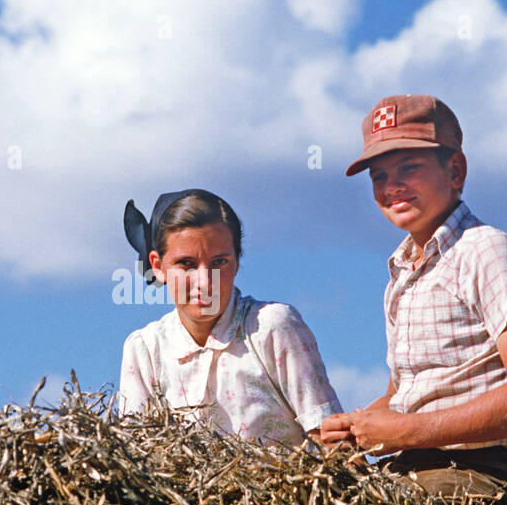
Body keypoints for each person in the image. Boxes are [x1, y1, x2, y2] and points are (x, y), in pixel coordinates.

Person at [319, 95, 507, 505]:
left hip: (488, 474)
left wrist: (402, 433)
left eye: (409, 168)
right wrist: (356, 427)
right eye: (379, 176)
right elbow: (406, 393)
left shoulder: (488, 251)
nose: (392, 186)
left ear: (455, 171)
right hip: (415, 471)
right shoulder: (400, 272)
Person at [119, 189, 342, 447]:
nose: (204, 281)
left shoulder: (272, 327)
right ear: (158, 266)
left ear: (237, 261)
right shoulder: (145, 349)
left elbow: (329, 437)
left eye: (219, 262)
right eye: (186, 264)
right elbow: (136, 453)